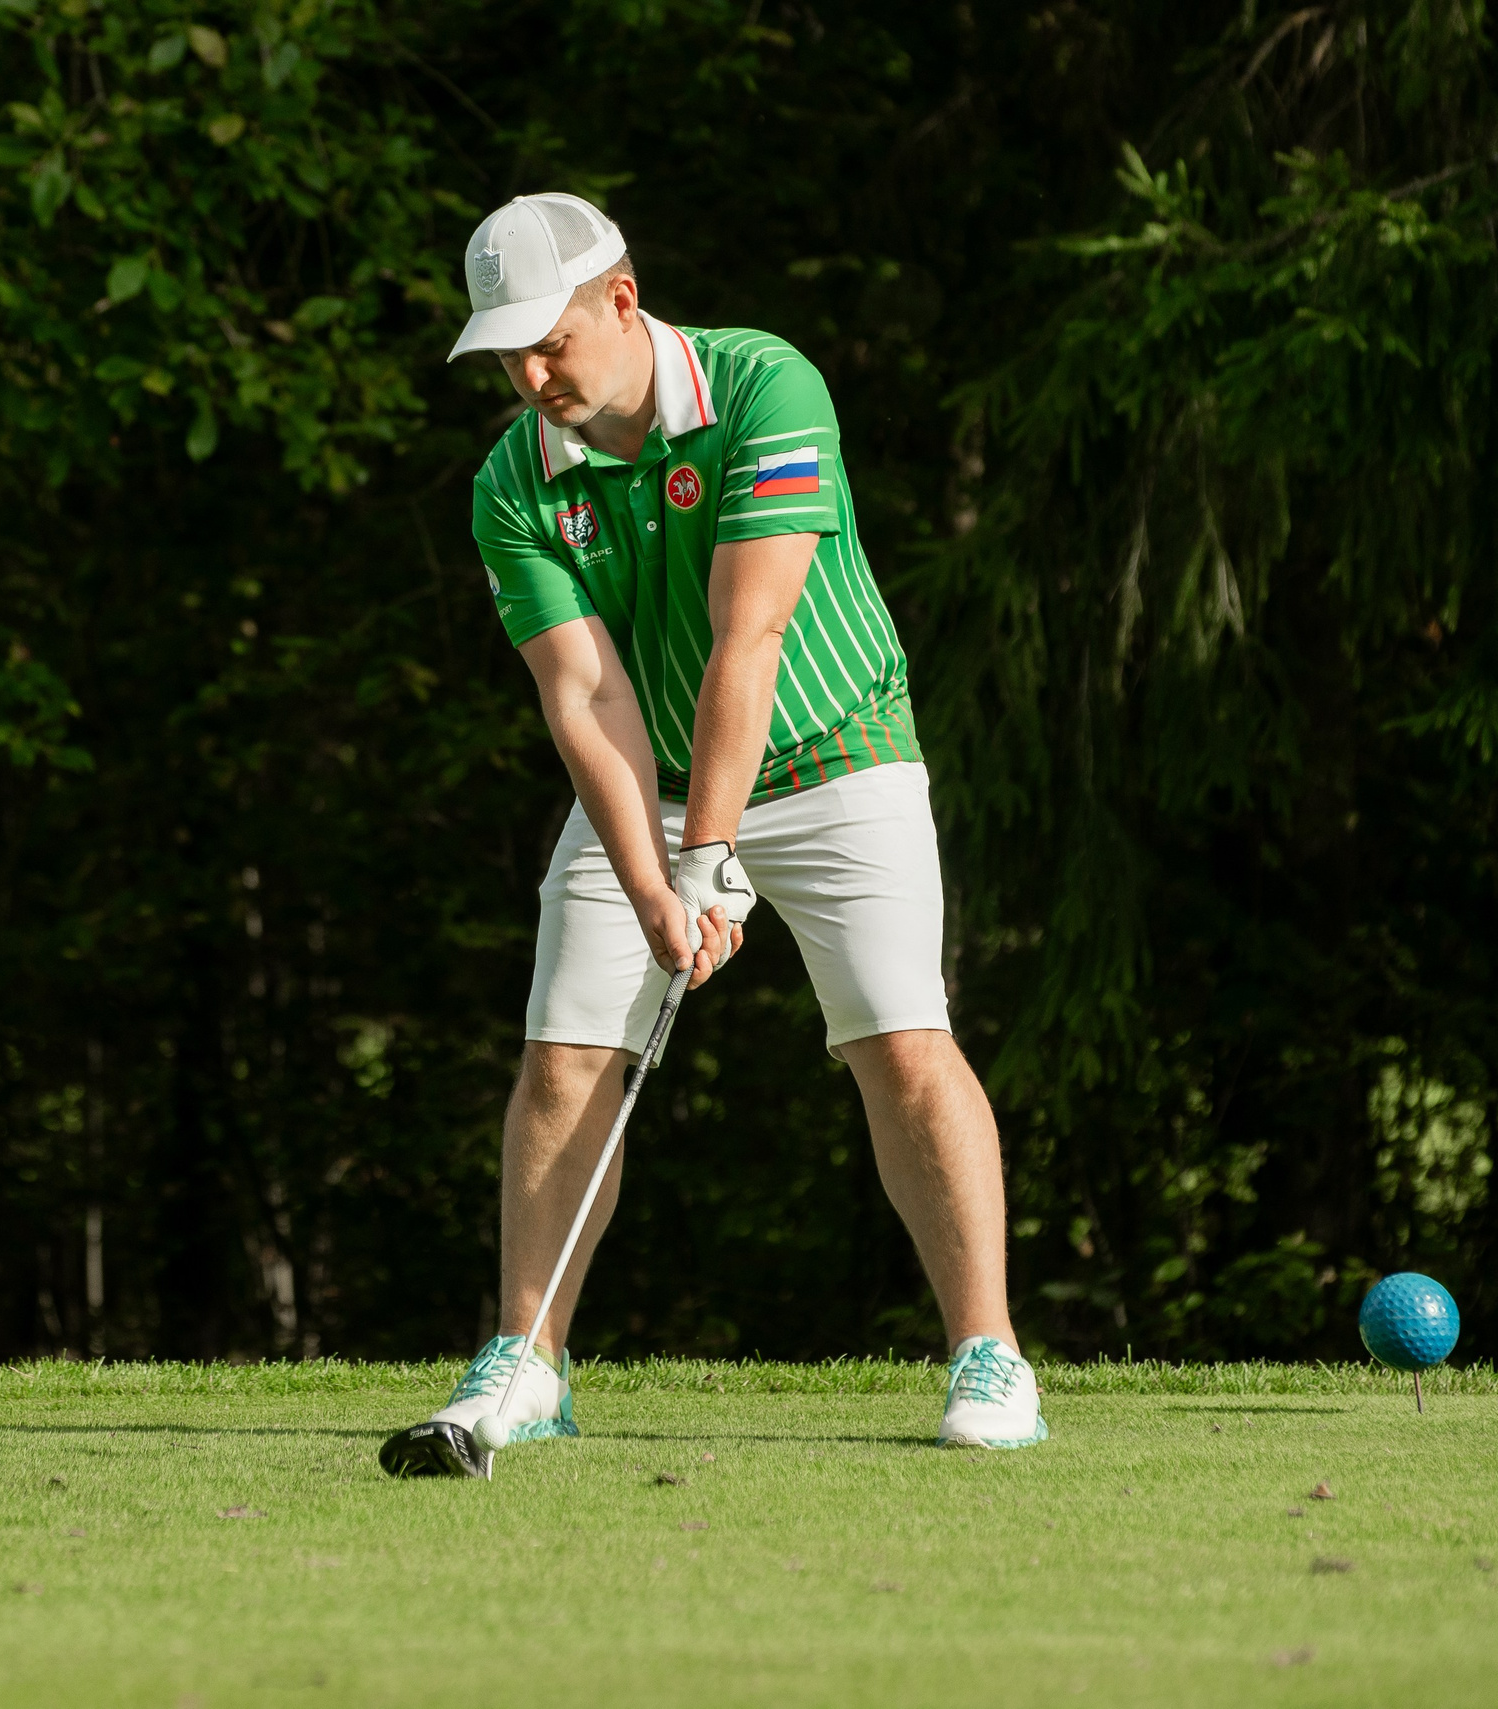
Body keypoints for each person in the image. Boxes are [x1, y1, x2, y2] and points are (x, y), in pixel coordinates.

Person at [377, 194, 1045, 1479]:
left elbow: (753, 635)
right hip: (652, 783)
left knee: (899, 1041)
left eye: (550, 342)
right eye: (504, 354)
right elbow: (587, 695)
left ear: (622, 300)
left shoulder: (762, 388)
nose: (528, 377)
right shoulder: (513, 481)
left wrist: (709, 860)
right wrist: (652, 881)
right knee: (565, 1055)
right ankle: (527, 1360)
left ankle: (990, 1354)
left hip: (839, 750)